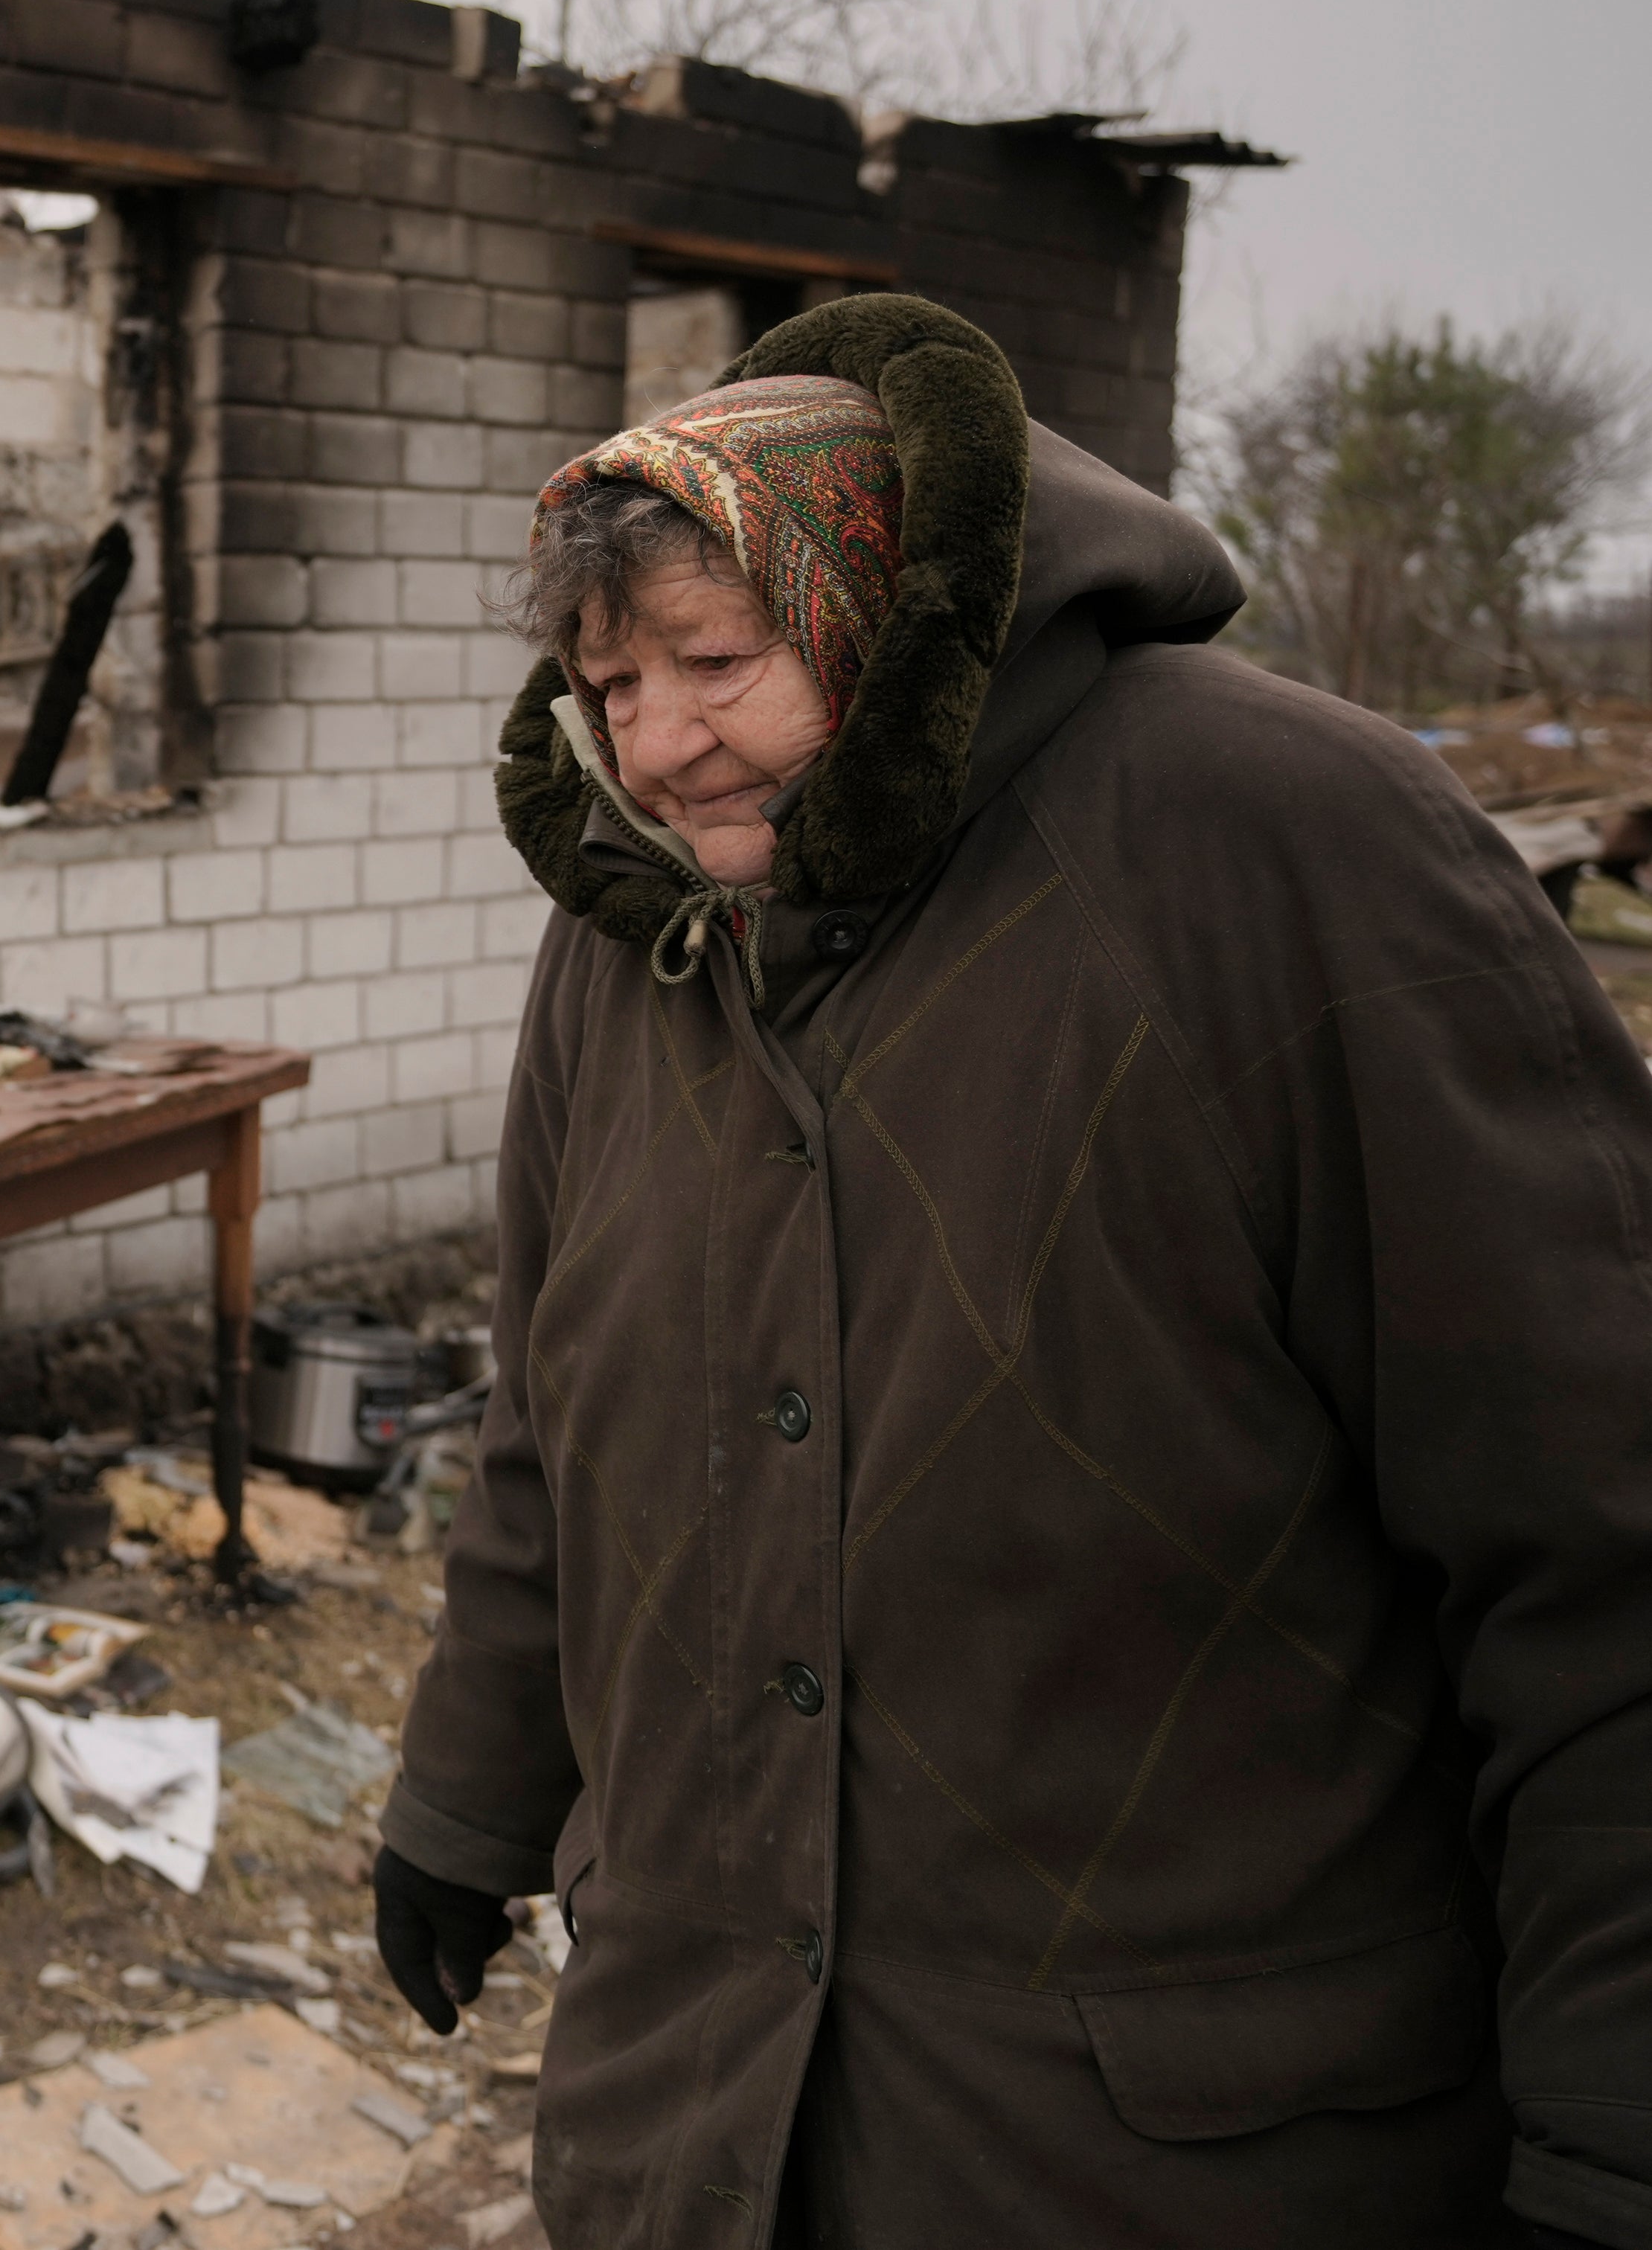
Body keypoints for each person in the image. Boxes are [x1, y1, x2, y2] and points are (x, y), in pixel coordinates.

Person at [368, 295, 1652, 2247]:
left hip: (1174, 2160)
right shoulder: (633, 934)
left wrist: (1611, 2120)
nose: (653, 745)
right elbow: (554, 1426)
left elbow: (1595, 1540)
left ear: (872, 605)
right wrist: (469, 1796)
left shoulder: (1284, 842)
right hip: (695, 2124)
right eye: (603, 682)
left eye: (709, 660)